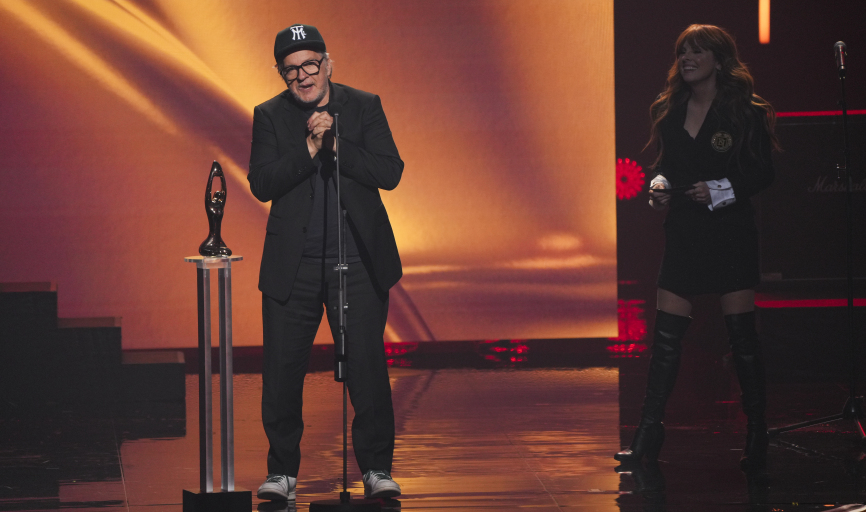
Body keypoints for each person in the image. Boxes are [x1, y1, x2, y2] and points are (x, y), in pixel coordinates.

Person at [248, 24, 404, 501]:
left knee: (366, 366)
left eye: (310, 65)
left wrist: (336, 142)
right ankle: (282, 472)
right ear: (281, 74)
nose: (302, 76)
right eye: (291, 69)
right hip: (292, 265)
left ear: (328, 63)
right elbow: (262, 182)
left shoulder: (363, 105)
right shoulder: (270, 115)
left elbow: (389, 171)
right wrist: (310, 149)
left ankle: (376, 469)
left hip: (355, 259)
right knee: (282, 368)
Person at [614, 24, 778, 470]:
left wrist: (720, 189)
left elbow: (763, 172)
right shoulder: (670, 110)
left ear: (719, 61)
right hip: (685, 232)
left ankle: (757, 432)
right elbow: (666, 166)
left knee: (743, 342)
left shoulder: (746, 111)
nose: (687, 58)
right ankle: (649, 433)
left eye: (697, 51)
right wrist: (659, 187)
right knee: (665, 342)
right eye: (682, 51)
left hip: (730, 235)